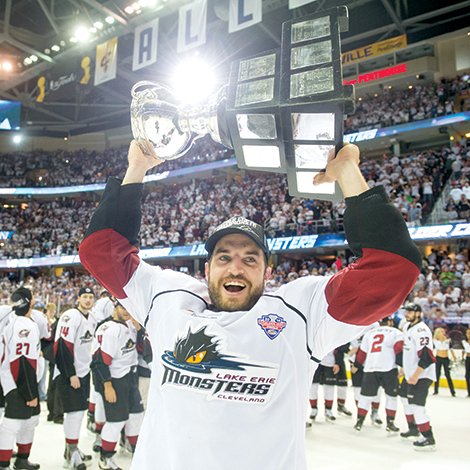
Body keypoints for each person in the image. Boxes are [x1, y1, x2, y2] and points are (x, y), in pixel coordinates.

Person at [79, 141, 421, 470]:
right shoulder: (169, 296)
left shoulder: (302, 312)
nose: (235, 268)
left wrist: (347, 171)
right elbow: (101, 251)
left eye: (250, 259)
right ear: (207, 269)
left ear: (267, 272)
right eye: (224, 257)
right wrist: (136, 169)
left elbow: (393, 270)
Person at [90, 301, 143, 470]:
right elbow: (99, 362)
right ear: (115, 309)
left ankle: (134, 449)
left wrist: (140, 330)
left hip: (130, 377)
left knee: (136, 415)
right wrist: (107, 385)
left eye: (129, 307)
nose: (127, 311)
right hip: (115, 380)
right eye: (123, 307)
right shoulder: (110, 330)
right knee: (116, 421)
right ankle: (105, 458)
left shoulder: (129, 325)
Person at [54, 287, 97, 470]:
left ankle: (72, 448)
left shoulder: (92, 317)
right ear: (78, 298)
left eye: (90, 297)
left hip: (84, 372)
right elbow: (61, 346)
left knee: (79, 413)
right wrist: (70, 373)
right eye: (85, 297)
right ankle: (71, 453)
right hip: (70, 374)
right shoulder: (71, 316)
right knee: (74, 414)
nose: (88, 300)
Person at [0, 287, 41, 470]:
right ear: (30, 301)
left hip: (26, 381)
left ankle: (22, 459)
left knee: (30, 421)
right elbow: (21, 361)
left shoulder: (18, 320)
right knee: (12, 424)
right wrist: (29, 392)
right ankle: (4, 463)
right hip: (18, 383)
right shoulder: (23, 325)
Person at [352, 316, 403, 435]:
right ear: (390, 322)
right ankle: (390, 423)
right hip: (389, 368)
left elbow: (362, 353)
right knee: (391, 397)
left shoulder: (370, 334)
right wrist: (402, 366)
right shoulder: (396, 332)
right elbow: (399, 349)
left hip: (371, 368)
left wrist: (356, 365)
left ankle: (359, 422)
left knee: (365, 397)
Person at [399, 303, 437, 451]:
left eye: (410, 312)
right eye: (406, 311)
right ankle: (413, 428)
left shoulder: (422, 331)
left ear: (418, 313)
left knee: (417, 406)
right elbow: (408, 351)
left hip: (421, 376)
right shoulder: (407, 328)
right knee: (404, 399)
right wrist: (403, 369)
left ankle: (428, 437)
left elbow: (427, 357)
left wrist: (415, 375)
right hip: (410, 375)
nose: (407, 314)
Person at [432, 327, 456, 396]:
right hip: (438, 358)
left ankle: (453, 391)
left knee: (448, 375)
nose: (444, 332)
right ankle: (436, 390)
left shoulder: (448, 340)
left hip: (446, 358)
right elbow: (431, 350)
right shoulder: (435, 341)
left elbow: (451, 349)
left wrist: (454, 358)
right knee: (437, 374)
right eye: (442, 331)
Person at [463, 328, 470, 397]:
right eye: (467, 333)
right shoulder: (464, 342)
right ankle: (469, 392)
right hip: (467, 358)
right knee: (467, 375)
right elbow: (463, 350)